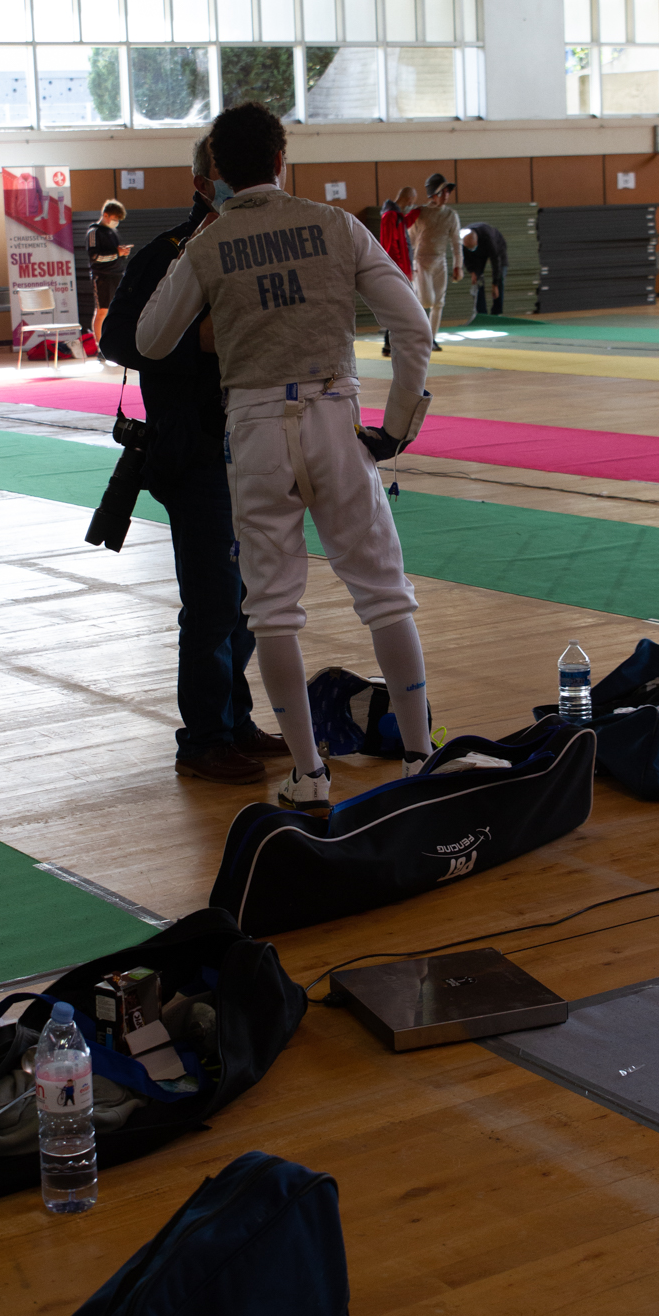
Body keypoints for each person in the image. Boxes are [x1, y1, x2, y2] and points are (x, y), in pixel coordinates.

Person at [136, 102, 434, 816]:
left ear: (215, 171)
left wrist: (203, 258)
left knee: (271, 611)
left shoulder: (209, 242)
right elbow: (413, 328)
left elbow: (149, 340)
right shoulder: (337, 225)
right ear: (280, 159)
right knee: (384, 594)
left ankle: (308, 775)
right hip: (334, 415)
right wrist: (396, 428)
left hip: (255, 432)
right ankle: (420, 757)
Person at [100, 140, 290, 786]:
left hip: (258, 441)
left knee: (250, 597)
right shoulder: (167, 253)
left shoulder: (262, 246)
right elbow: (117, 338)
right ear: (202, 180)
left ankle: (233, 720)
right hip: (196, 448)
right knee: (213, 601)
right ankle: (204, 738)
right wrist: (197, 342)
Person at [409, 173, 463, 351]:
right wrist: (409, 264)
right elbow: (411, 239)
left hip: (440, 261)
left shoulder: (451, 215)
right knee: (426, 301)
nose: (446, 195)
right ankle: (417, 334)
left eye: (448, 192)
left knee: (439, 303)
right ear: (433, 194)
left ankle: (431, 340)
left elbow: (456, 242)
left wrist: (458, 265)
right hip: (421, 262)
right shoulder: (420, 213)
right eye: (442, 192)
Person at [378, 186, 419, 357]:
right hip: (398, 271)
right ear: (408, 199)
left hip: (402, 270)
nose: (412, 204)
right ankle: (390, 343)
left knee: (400, 307)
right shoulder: (390, 216)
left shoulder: (397, 216)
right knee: (399, 308)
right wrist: (400, 271)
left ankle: (390, 344)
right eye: (412, 201)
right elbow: (390, 246)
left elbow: (404, 226)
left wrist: (417, 213)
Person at [87, 199, 132, 345]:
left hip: (117, 274)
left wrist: (123, 253)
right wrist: (117, 253)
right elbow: (95, 257)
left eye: (118, 219)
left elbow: (116, 253)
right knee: (102, 311)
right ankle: (100, 345)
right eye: (114, 218)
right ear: (105, 215)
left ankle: (116, 343)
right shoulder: (94, 232)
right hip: (102, 276)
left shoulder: (113, 232)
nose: (116, 222)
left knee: (117, 310)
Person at [461, 222, 508, 319]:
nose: (470, 249)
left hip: (498, 247)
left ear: (476, 241)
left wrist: (495, 284)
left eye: (472, 247)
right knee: (478, 281)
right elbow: (465, 259)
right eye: (469, 248)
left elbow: (496, 261)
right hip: (478, 254)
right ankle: (482, 313)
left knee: (500, 278)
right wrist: (472, 272)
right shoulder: (463, 240)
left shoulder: (488, 238)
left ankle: (497, 313)